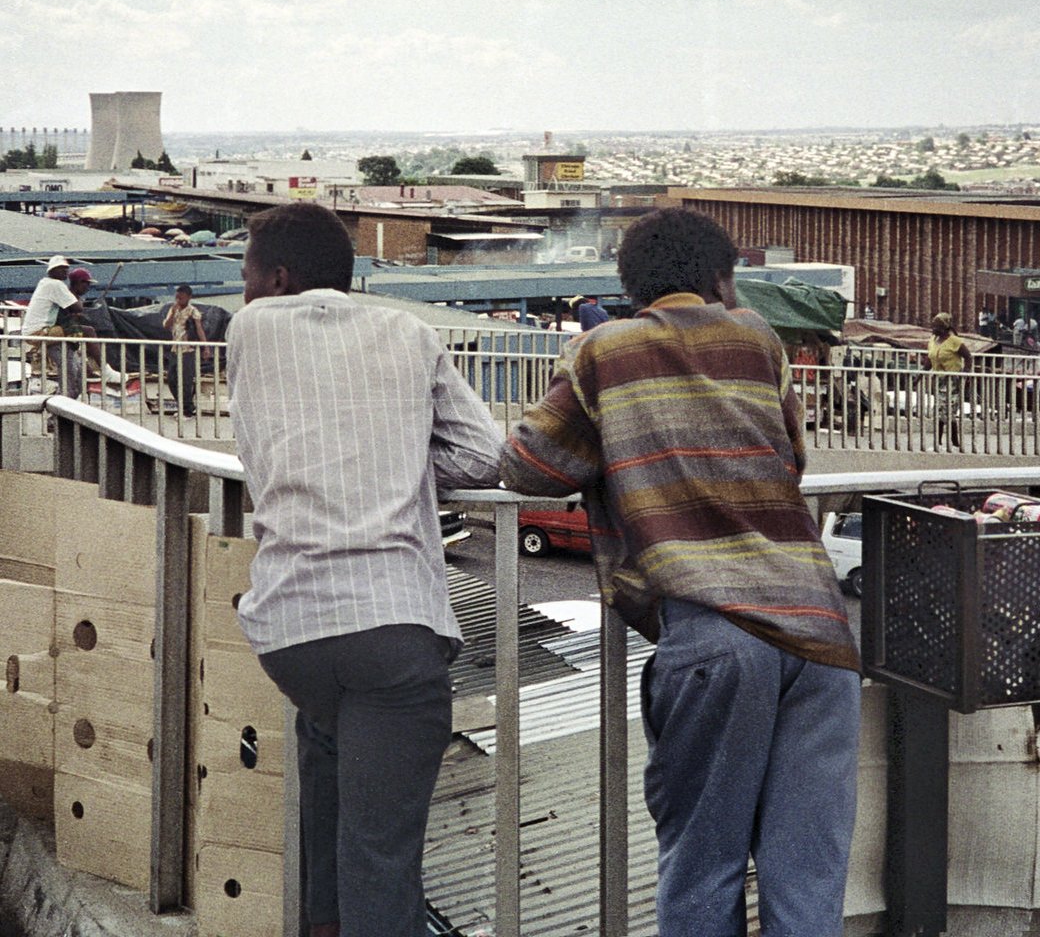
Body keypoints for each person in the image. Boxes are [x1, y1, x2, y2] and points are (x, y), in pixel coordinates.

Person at [500, 207, 861, 937]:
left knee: (703, 864)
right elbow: (792, 458)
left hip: (713, 636)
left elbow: (528, 466)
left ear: (630, 284)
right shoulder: (758, 338)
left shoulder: (604, 350)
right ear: (720, 280)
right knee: (808, 878)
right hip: (821, 634)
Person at [227, 202, 504, 937]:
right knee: (381, 857)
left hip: (290, 632)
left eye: (248, 275)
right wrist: (400, 466)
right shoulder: (410, 333)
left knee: (329, 759)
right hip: (390, 629)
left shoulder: (248, 330)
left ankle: (319, 922)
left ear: (278, 277)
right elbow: (483, 456)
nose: (244, 290)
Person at [21, 255, 85, 397]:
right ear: (52, 270)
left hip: (35, 331)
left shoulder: (45, 282)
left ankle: (79, 359)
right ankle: (103, 368)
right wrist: (75, 292)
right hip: (39, 333)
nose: (65, 272)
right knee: (79, 329)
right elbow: (77, 307)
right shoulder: (56, 284)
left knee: (76, 331)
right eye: (61, 269)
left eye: (66, 269)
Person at [922, 312, 972, 449]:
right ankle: (938, 441)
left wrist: (965, 374)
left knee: (948, 411)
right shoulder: (933, 340)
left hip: (952, 380)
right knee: (939, 410)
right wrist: (920, 376)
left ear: (944, 327)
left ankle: (954, 441)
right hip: (938, 380)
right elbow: (929, 360)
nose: (933, 329)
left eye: (936, 326)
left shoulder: (954, 341)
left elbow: (968, 357)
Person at [162, 284, 207, 417]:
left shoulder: (193, 311)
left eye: (181, 298)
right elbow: (166, 325)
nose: (178, 300)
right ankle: (184, 406)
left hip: (188, 349)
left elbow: (199, 329)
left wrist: (205, 347)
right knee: (172, 379)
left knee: (186, 381)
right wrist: (173, 312)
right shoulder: (173, 309)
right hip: (175, 348)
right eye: (177, 297)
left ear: (188, 297)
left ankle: (187, 411)